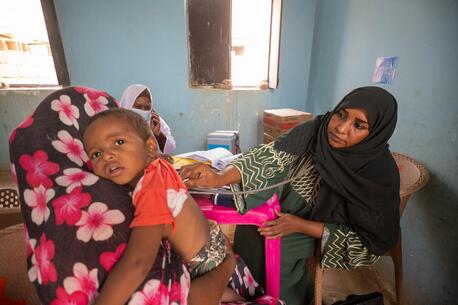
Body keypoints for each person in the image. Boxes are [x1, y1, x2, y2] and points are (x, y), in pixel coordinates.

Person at [180, 86, 401, 305]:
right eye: (341, 115)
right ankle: (250, 295)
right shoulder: (317, 130)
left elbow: (369, 241)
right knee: (250, 230)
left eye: (358, 125)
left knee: (276, 245)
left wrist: (300, 225)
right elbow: (269, 156)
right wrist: (218, 177)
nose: (341, 128)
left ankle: (285, 298)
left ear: (375, 133)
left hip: (320, 226)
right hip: (286, 206)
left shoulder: (379, 174)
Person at [83, 108, 242, 305]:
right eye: (96, 153)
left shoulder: (151, 188)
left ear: (150, 146)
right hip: (210, 241)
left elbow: (138, 262)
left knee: (190, 301)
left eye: (119, 142)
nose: (107, 156)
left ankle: (230, 293)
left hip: (207, 262)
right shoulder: (156, 166)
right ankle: (226, 292)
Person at [120, 84, 176, 154]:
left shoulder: (154, 120)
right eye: (138, 106)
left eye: (147, 107)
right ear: (128, 104)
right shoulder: (116, 124)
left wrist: (158, 134)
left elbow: (170, 149)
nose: (143, 111)